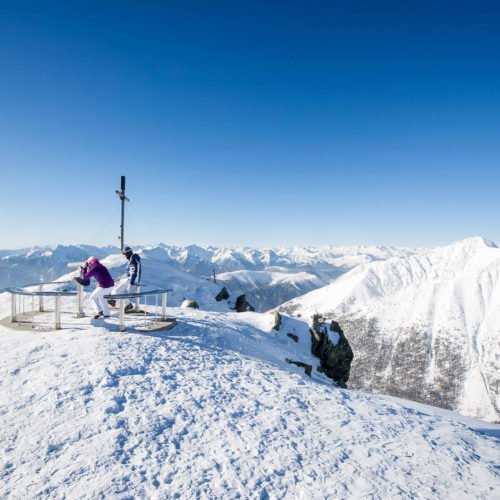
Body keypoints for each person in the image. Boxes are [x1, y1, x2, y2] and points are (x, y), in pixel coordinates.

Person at [109, 246, 141, 312]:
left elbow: (134, 272)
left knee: (116, 291)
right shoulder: (133, 259)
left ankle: (115, 300)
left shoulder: (132, 260)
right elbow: (128, 273)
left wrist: (131, 283)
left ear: (127, 254)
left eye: (124, 255)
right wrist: (119, 278)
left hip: (131, 279)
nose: (124, 256)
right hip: (129, 278)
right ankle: (127, 304)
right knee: (116, 289)